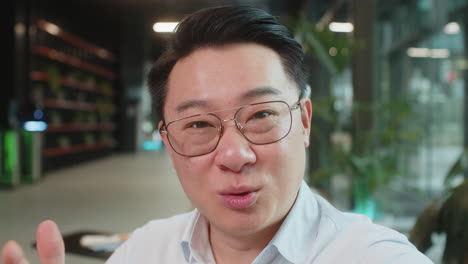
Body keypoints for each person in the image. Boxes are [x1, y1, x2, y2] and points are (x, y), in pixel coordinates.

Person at [2, 5, 433, 264]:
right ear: (168, 143)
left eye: (262, 114)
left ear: (304, 121)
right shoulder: (146, 251)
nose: (234, 154)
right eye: (199, 124)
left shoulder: (373, 257)